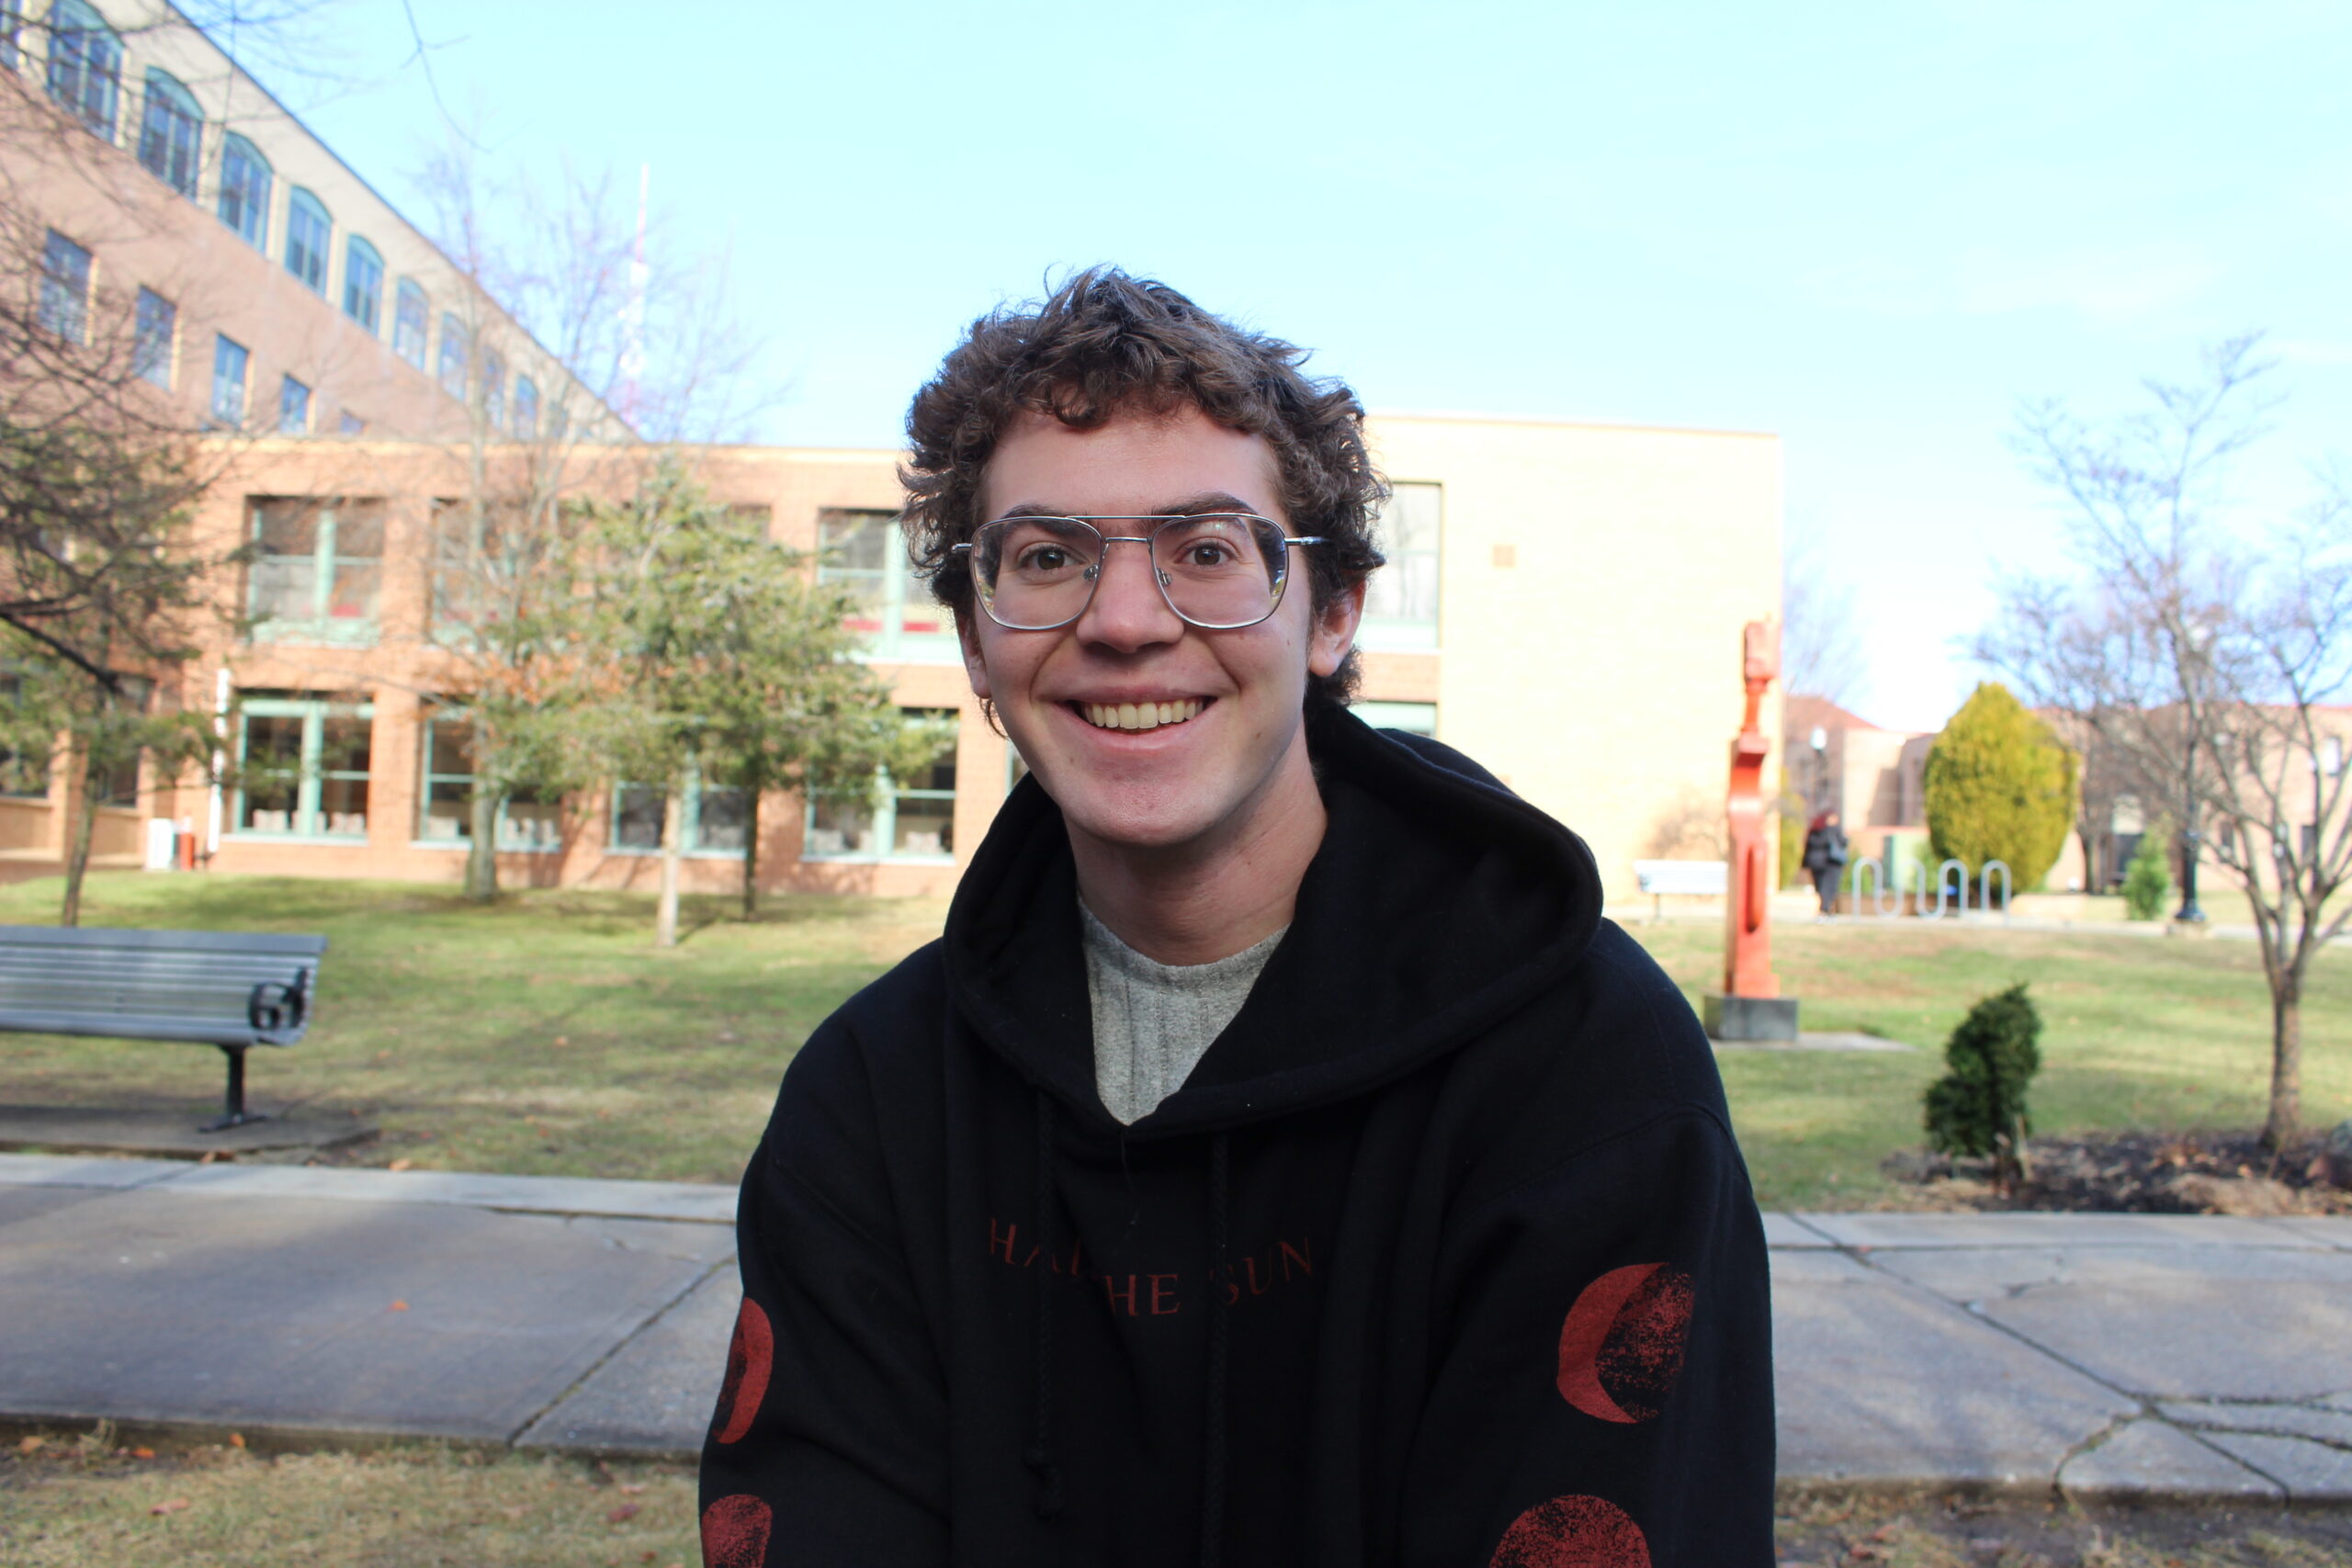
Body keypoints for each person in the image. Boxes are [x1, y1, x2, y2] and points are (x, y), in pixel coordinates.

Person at [698, 270, 1774, 1567]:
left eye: (1208, 550)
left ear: (1331, 613)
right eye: (1047, 557)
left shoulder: (1586, 1077)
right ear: (978, 644)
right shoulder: (873, 1102)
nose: (1128, 621)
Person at [1803, 811, 1849, 916]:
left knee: (1821, 887)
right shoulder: (1832, 830)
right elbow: (1843, 841)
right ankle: (1826, 908)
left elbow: (1807, 847)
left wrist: (1805, 863)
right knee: (1828, 887)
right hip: (1831, 863)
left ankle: (1825, 908)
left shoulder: (1814, 831)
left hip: (1815, 863)